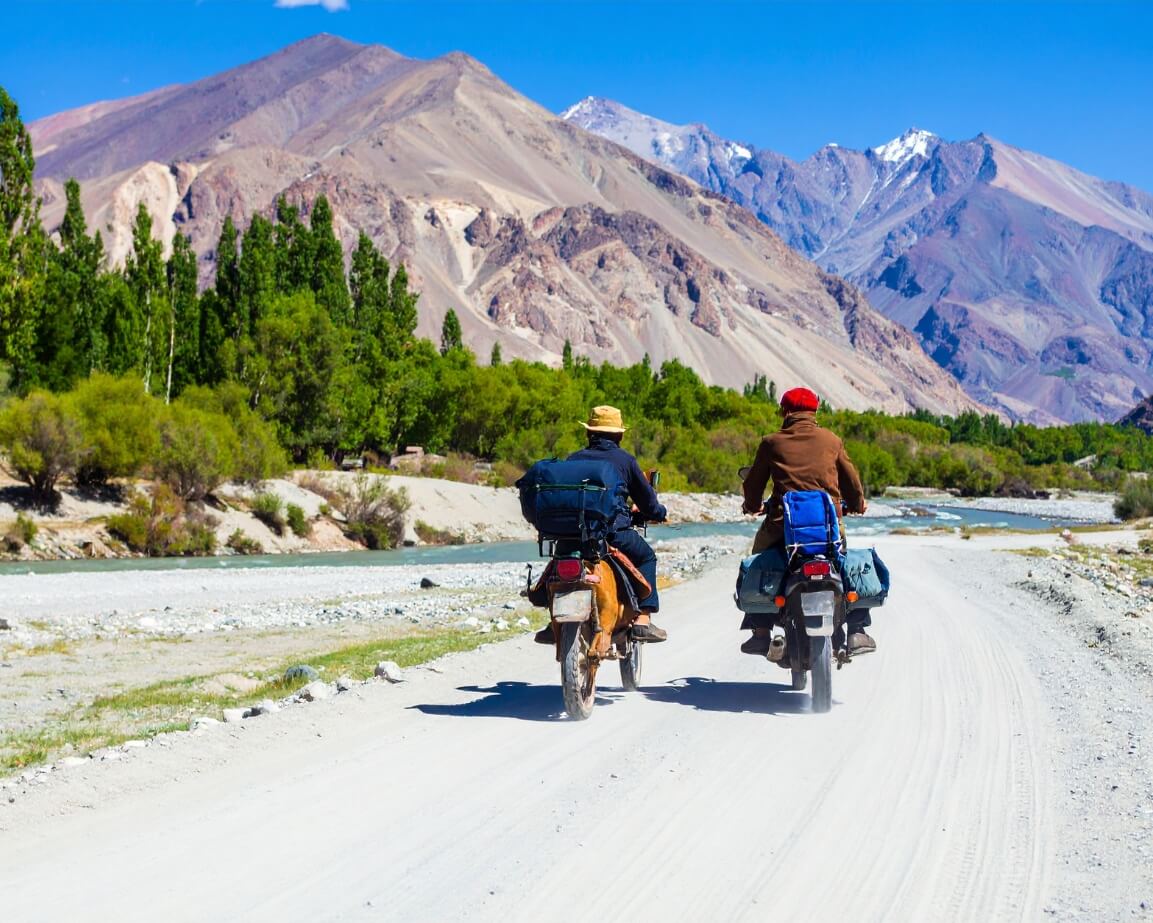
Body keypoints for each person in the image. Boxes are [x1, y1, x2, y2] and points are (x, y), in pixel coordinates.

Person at [740, 386, 875, 655]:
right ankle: (857, 630)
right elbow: (851, 482)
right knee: (847, 566)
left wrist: (752, 506)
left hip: (782, 526)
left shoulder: (771, 442)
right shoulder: (832, 440)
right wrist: (857, 505)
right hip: (828, 528)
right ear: (815, 412)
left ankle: (761, 630)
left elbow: (753, 485)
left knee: (760, 559)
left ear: (786, 412)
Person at [535, 405, 669, 644]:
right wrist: (659, 512)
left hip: (570, 536)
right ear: (619, 435)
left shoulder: (573, 458)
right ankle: (643, 620)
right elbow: (647, 502)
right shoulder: (625, 461)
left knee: (559, 566)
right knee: (647, 557)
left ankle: (552, 619)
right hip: (612, 534)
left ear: (589, 433)